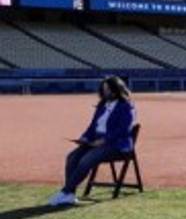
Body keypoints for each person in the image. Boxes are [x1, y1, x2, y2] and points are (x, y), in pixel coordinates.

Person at [49, 75, 136, 207]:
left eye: (109, 89)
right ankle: (70, 195)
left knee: (87, 159)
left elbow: (123, 130)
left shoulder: (126, 106)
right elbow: (92, 126)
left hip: (117, 146)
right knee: (72, 157)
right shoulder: (102, 105)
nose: (106, 92)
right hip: (95, 143)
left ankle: (65, 192)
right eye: (104, 89)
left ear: (117, 90)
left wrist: (104, 140)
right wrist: (84, 138)